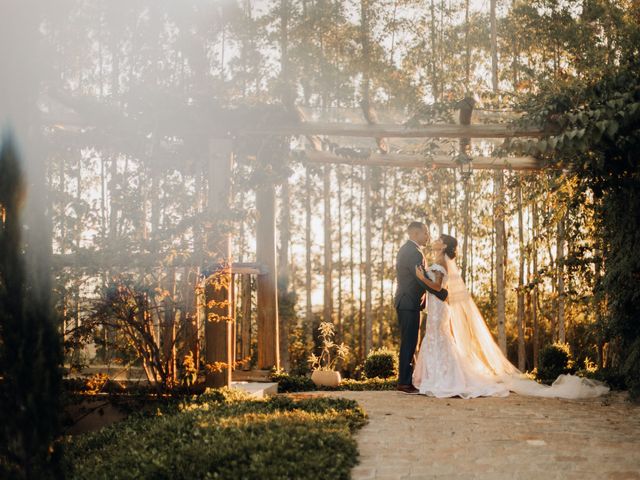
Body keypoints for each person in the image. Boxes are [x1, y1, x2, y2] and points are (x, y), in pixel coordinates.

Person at [412, 233, 609, 399]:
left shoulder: (441, 263)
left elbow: (438, 287)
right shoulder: (438, 261)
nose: (435, 240)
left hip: (439, 309)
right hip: (436, 307)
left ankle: (448, 378)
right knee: (436, 338)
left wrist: (421, 278)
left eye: (438, 239)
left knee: (440, 338)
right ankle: (438, 376)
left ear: (444, 245)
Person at [394, 221, 448, 394]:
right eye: (425, 233)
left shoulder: (409, 250)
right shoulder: (413, 253)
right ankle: (404, 382)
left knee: (410, 341)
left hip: (407, 302)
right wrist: (443, 294)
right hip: (409, 302)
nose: (428, 236)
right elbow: (420, 278)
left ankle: (406, 380)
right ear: (416, 234)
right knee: (409, 342)